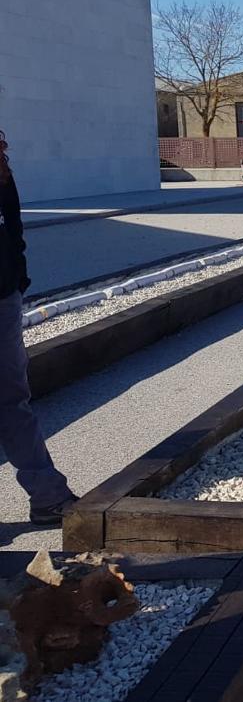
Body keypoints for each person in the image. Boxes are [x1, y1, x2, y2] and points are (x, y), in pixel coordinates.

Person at [0, 129, 78, 525]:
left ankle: (47, 495)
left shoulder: (0, 163)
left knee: (12, 401)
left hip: (2, 296)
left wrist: (18, 280)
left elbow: (13, 225)